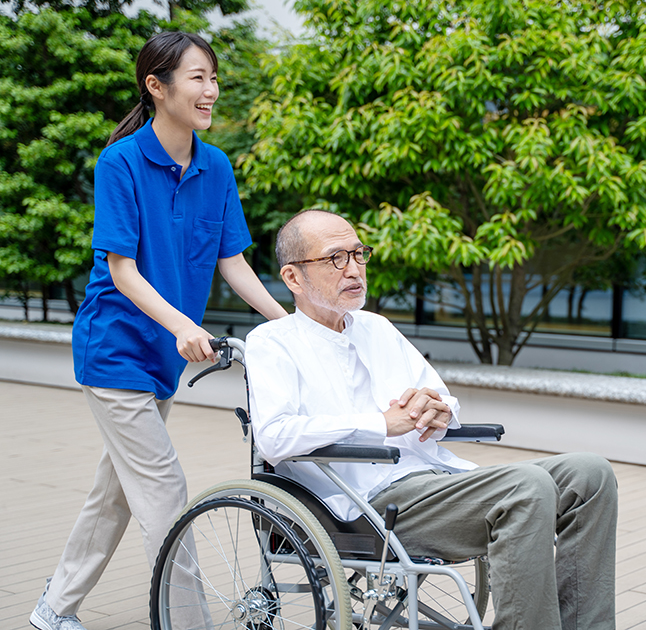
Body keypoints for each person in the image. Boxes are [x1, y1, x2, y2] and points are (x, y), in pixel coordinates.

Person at [244, 209, 618, 630]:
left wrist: (439, 411)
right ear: (293, 278)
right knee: (526, 487)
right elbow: (273, 436)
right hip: (363, 504)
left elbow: (440, 397)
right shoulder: (272, 343)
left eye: (358, 254)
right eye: (336, 258)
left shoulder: (377, 328)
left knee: (591, 474)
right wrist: (380, 423)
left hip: (432, 480)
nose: (354, 269)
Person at [30, 32, 287, 630]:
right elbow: (122, 270)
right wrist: (183, 326)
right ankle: (186, 622)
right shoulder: (120, 163)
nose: (212, 90)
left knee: (117, 492)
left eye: (214, 78)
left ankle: (53, 607)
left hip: (164, 359)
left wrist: (293, 327)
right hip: (115, 350)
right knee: (165, 492)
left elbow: (232, 263)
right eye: (198, 77)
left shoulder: (216, 166)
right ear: (157, 86)